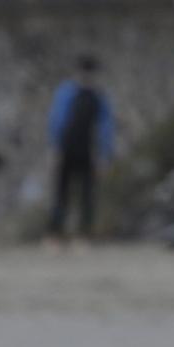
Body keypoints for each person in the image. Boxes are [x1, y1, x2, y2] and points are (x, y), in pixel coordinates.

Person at [46, 56, 115, 244]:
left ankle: (84, 234)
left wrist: (104, 153)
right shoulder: (67, 93)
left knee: (87, 194)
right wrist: (55, 148)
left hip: (87, 149)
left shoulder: (98, 97)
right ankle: (55, 234)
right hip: (67, 147)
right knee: (62, 193)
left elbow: (105, 127)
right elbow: (57, 121)